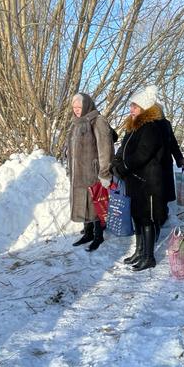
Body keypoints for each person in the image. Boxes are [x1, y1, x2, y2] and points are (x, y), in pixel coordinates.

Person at [112, 86, 177, 271]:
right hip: (136, 181)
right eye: (131, 105)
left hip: (149, 182)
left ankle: (149, 257)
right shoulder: (135, 125)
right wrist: (116, 165)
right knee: (138, 217)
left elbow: (142, 154)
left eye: (135, 106)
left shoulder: (151, 127)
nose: (131, 109)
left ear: (145, 108)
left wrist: (123, 167)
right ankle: (140, 251)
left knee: (147, 218)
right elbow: (124, 149)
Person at [67, 93, 115, 252]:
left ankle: (98, 236)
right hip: (78, 173)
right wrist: (70, 169)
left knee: (95, 204)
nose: (76, 110)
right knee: (83, 203)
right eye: (74, 107)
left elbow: (105, 149)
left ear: (87, 105)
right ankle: (87, 234)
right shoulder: (75, 123)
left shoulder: (97, 121)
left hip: (93, 173)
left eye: (79, 107)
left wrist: (104, 173)